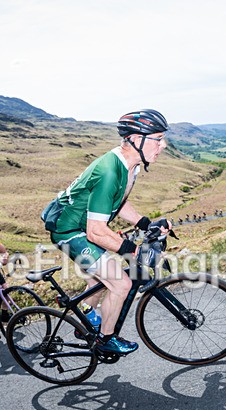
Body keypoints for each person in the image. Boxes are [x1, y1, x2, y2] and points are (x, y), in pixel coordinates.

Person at [42, 109, 172, 356]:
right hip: (70, 232)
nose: (163, 145)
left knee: (100, 277)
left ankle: (85, 317)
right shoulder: (110, 171)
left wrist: (145, 223)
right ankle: (106, 339)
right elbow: (96, 232)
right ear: (136, 139)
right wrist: (134, 250)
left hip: (84, 227)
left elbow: (118, 201)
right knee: (120, 283)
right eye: (158, 138)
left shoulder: (130, 165)